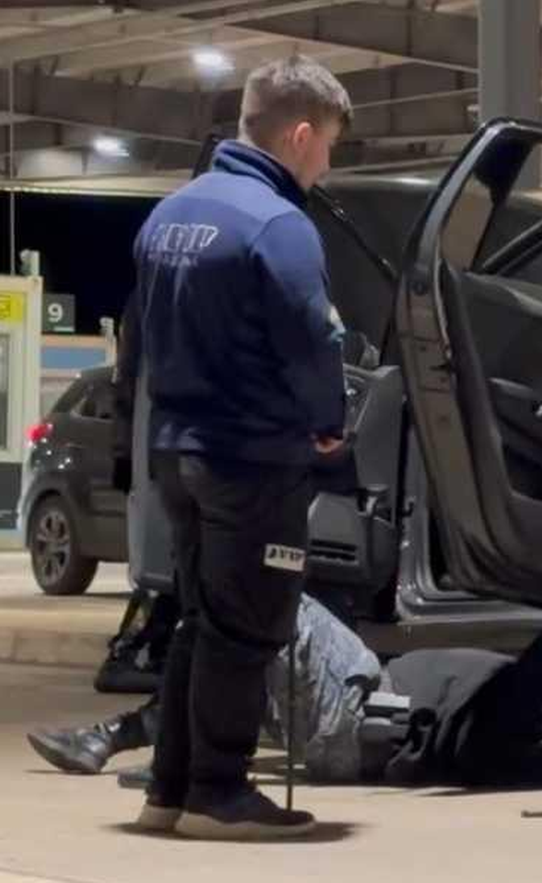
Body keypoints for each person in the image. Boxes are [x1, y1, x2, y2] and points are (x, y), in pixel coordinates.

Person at [127, 55, 351, 839]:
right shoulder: (278, 224)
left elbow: (136, 344)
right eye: (326, 145)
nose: (325, 163)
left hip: (174, 451)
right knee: (250, 624)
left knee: (199, 617)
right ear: (297, 135)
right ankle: (219, 793)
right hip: (251, 456)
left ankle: (171, 787)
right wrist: (329, 420)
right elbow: (313, 341)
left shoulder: (170, 214)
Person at [27, 595, 542, 790]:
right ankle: (123, 741)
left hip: (363, 716)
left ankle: (169, 757)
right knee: (244, 664)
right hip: (360, 721)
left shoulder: (540, 706)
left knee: (264, 593)